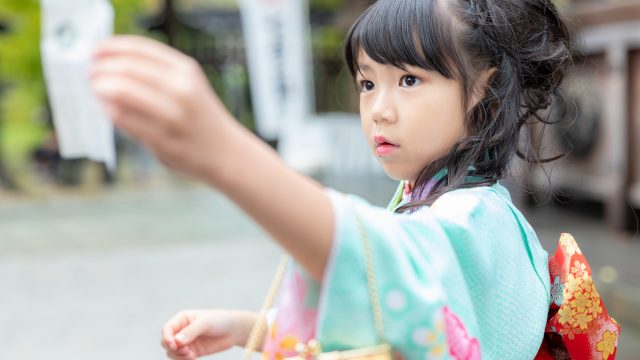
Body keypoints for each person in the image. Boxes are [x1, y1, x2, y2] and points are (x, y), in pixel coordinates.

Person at [90, 0, 620, 359]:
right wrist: (247, 327)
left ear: (485, 88)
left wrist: (226, 153)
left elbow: (384, 268)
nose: (379, 111)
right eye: (368, 83)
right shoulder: (441, 201)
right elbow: (380, 307)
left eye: (409, 80)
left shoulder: (477, 219)